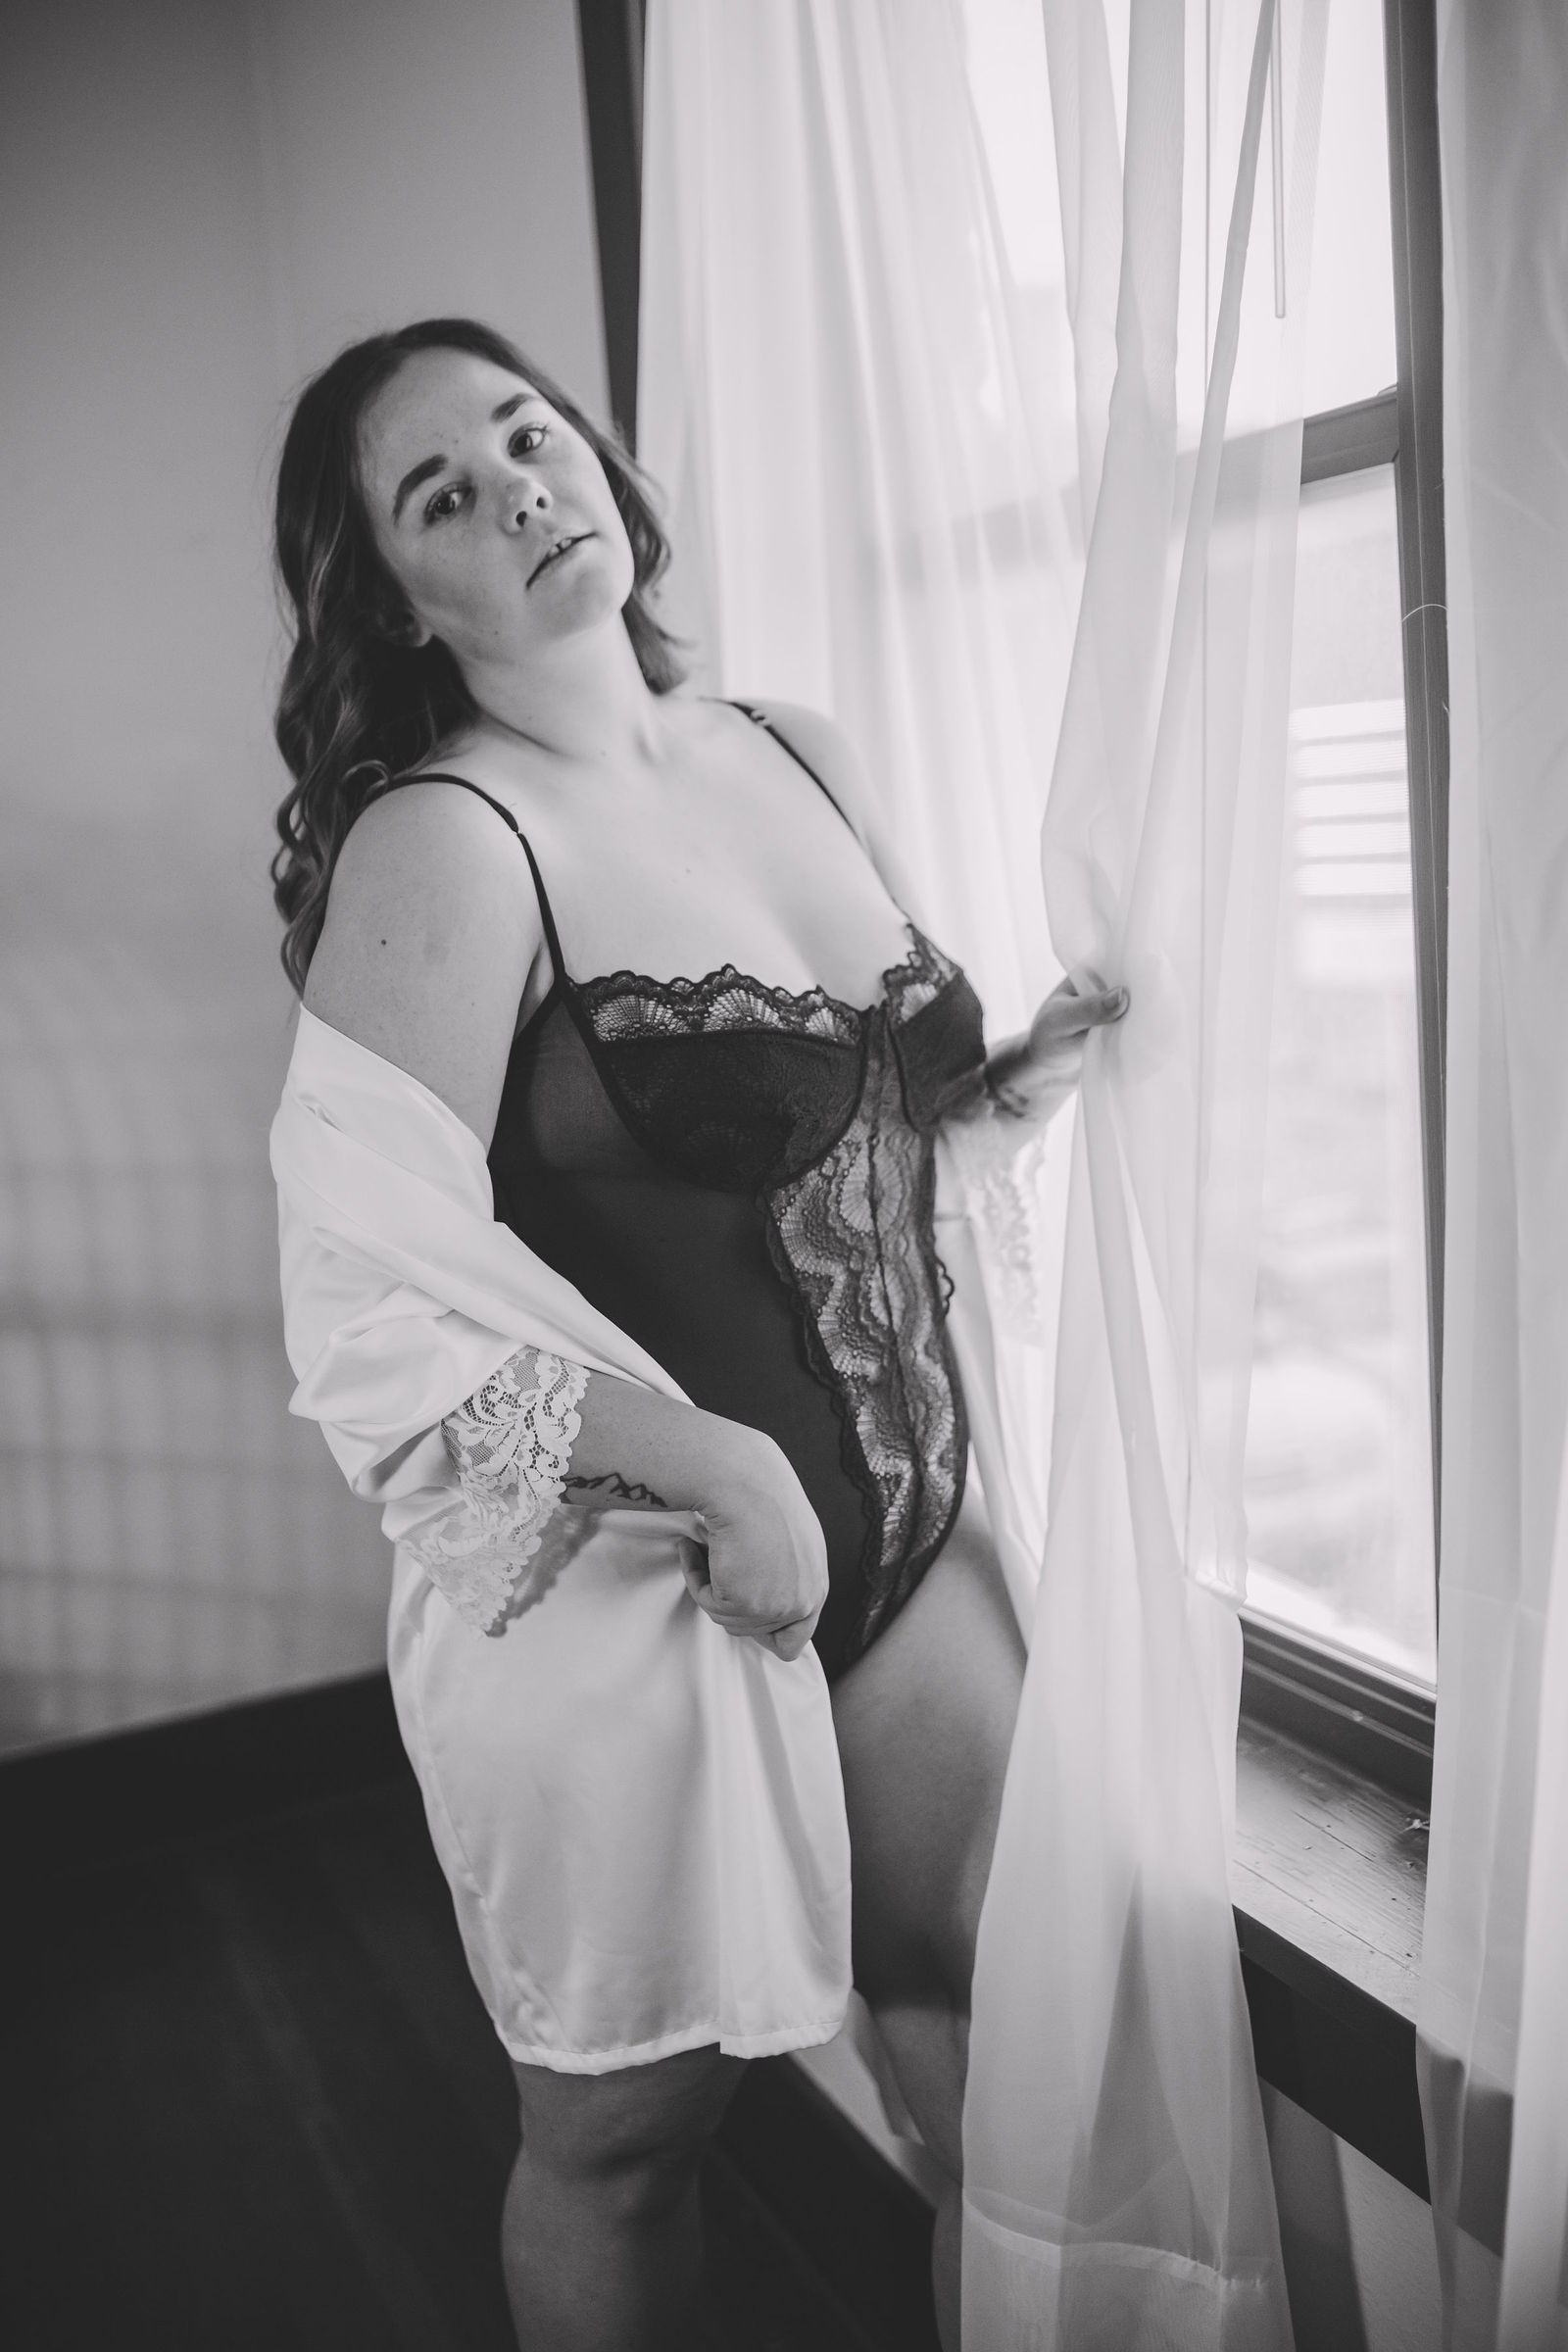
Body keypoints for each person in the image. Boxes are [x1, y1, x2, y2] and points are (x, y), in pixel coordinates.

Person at [269, 317, 1125, 2352]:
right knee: (624, 2143)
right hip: (635, 1604)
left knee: (1004, 2052)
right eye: (442, 497)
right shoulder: (446, 845)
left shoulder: (794, 747)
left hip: (907, 1553)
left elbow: (850, 1136)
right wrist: (716, 1467)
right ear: (395, 600)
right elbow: (360, 1311)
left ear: (599, 456)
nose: (518, 493)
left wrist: (1014, 1077)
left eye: (527, 436)